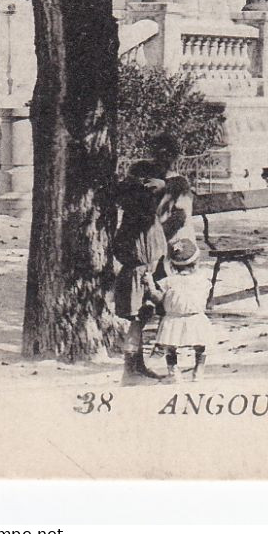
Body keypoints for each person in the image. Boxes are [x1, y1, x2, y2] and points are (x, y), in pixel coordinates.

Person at [110, 132, 193, 382]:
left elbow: (179, 216)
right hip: (147, 255)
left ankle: (145, 362)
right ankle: (137, 365)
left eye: (168, 155)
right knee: (144, 312)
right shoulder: (144, 184)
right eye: (160, 153)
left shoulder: (174, 184)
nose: (164, 159)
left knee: (150, 310)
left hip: (159, 252)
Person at [153, 237, 213, 381]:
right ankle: (199, 370)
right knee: (200, 344)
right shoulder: (202, 279)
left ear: (172, 265)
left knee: (170, 346)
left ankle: (174, 372)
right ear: (196, 262)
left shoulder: (168, 281)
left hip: (174, 317)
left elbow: (157, 298)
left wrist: (149, 285)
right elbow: (207, 295)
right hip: (195, 316)